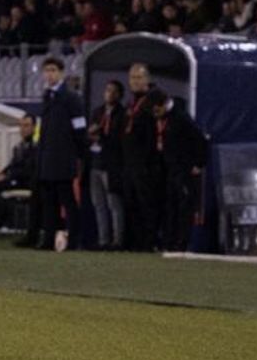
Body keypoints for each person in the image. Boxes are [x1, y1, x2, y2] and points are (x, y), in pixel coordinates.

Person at [21, 57, 85, 250]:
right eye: (47, 70)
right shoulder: (47, 97)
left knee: (67, 201)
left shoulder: (71, 98)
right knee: (49, 203)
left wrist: (78, 154)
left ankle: (74, 241)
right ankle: (48, 240)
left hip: (63, 158)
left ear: (61, 73)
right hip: (48, 159)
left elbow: (79, 128)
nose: (49, 74)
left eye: (53, 70)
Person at [151, 91, 208, 253]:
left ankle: (182, 244)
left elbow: (201, 140)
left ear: (164, 104)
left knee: (184, 208)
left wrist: (199, 163)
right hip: (171, 169)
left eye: (157, 110)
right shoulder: (165, 118)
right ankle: (170, 242)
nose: (155, 114)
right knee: (171, 207)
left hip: (184, 170)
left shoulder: (181, 118)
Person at [119, 63, 161, 251]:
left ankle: (149, 242)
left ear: (147, 79)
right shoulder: (131, 103)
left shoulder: (154, 100)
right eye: (132, 78)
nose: (135, 81)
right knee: (131, 203)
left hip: (147, 164)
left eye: (139, 77)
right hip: (130, 163)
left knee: (147, 204)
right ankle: (133, 242)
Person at [88, 80, 126, 250]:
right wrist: (91, 135)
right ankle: (103, 240)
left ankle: (118, 240)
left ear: (119, 95)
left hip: (111, 165)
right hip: (96, 163)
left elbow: (119, 139)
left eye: (113, 91)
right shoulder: (98, 112)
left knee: (114, 204)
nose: (109, 93)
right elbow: (89, 132)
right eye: (107, 90)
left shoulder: (122, 114)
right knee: (99, 204)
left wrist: (102, 136)